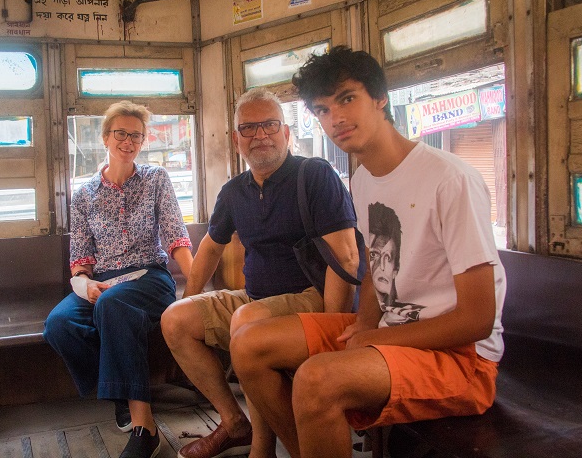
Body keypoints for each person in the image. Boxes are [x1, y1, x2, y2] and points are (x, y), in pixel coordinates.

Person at [231, 47, 507, 458]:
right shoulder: (362, 181)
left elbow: (478, 318)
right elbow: (374, 268)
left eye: (346, 99)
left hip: (461, 358)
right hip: (395, 331)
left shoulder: (449, 178)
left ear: (380, 99)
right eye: (322, 110)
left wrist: (375, 337)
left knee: (316, 380)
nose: (335, 119)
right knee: (249, 345)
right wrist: (363, 324)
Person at [161, 87, 363, 458]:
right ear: (237, 140)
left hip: (314, 296)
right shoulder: (234, 191)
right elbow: (209, 248)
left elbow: (347, 257)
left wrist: (331, 330)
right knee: (175, 319)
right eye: (249, 128)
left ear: (286, 133)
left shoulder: (313, 174)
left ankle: (272, 448)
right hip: (256, 299)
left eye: (269, 125)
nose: (260, 135)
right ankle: (234, 423)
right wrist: (191, 296)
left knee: (245, 320)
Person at [44, 101, 193, 458]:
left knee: (114, 305)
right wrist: (86, 285)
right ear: (105, 138)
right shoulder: (84, 196)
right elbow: (79, 262)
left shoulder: (157, 179)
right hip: (104, 282)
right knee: (59, 324)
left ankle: (145, 428)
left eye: (136, 136)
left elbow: (176, 237)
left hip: (150, 277)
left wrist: (197, 286)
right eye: (121, 134)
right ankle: (121, 393)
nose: (129, 141)